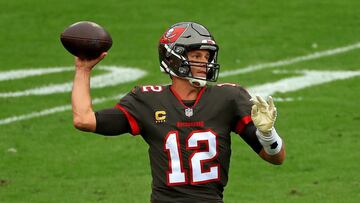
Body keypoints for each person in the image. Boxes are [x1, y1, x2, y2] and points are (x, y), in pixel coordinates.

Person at [72, 22, 285, 203]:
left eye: (207, 56)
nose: (204, 62)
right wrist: (83, 70)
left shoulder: (228, 98)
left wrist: (268, 134)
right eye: (196, 55)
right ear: (173, 58)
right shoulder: (147, 100)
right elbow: (84, 120)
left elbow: (276, 158)